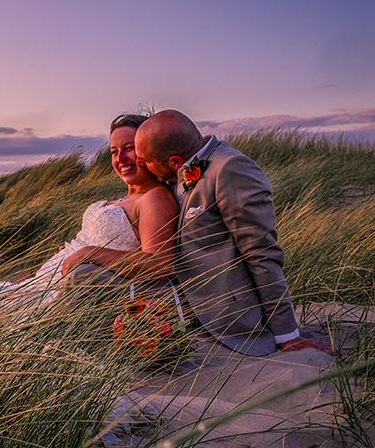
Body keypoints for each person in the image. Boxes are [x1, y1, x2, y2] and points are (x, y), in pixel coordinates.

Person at [133, 109, 330, 356]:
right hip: (183, 307)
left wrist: (287, 335)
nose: (142, 165)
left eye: (146, 161)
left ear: (173, 161)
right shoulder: (178, 170)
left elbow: (261, 253)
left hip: (230, 321)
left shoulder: (231, 169)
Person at [0, 113, 184, 316]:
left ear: (146, 149)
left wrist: (89, 253)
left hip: (70, 292)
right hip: (42, 285)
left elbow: (159, 263)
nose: (120, 159)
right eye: (114, 151)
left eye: (129, 149)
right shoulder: (125, 196)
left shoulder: (154, 198)